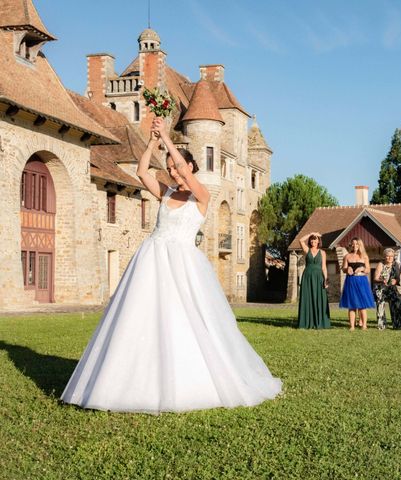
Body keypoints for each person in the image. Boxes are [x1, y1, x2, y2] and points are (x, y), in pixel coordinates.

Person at [61, 117, 281, 413]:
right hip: (152, 258)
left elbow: (189, 178)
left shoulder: (202, 196)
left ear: (190, 167)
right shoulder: (166, 193)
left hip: (183, 263)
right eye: (170, 168)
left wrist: (167, 138)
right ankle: (131, 379)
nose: (174, 171)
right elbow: (141, 171)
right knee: (142, 316)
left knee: (186, 317)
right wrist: (153, 140)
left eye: (178, 166)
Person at [339, 237, 375, 330]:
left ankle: (364, 325)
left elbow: (368, 270)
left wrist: (362, 269)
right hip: (351, 280)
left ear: (360, 245)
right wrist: (347, 269)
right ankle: (351, 326)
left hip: (361, 281)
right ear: (351, 245)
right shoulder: (347, 256)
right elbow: (343, 269)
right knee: (352, 305)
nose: (355, 246)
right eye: (353, 244)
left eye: (357, 244)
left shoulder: (364, 256)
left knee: (362, 305)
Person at [297, 232, 331, 329]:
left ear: (318, 241)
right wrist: (311, 233)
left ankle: (319, 322)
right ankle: (306, 322)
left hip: (319, 277)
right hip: (307, 277)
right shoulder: (307, 250)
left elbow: (324, 267)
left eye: (315, 239)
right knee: (307, 298)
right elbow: (300, 240)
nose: (313, 241)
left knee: (319, 298)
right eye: (312, 239)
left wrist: (326, 280)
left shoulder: (322, 253)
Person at [373, 248, 401, 330]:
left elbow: (398, 278)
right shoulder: (381, 264)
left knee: (396, 304)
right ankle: (382, 325)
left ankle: (397, 325)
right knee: (380, 306)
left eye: (391, 256)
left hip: (392, 288)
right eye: (387, 256)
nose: (389, 258)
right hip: (381, 288)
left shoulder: (396, 265)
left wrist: (396, 280)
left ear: (393, 257)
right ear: (384, 257)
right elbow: (375, 278)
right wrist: (381, 280)